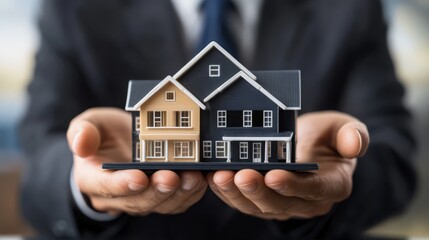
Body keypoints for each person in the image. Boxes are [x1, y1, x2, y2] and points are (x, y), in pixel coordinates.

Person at [19, 0, 417, 239]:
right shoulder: (74, 8)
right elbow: (40, 160)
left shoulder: (350, 8)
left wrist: (325, 192)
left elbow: (394, 158)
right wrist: (84, 185)